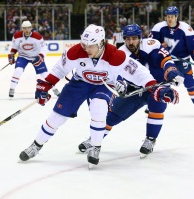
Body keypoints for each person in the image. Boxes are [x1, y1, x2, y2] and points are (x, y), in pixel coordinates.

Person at [18, 24, 179, 168]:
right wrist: (46, 85)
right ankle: (36, 145)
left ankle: (95, 148)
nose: (86, 49)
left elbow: (140, 73)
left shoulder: (115, 56)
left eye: (90, 46)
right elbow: (60, 68)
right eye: (84, 44)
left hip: (103, 85)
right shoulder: (76, 51)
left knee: (99, 110)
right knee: (57, 117)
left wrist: (155, 89)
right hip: (78, 84)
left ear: (101, 43)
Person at [78, 24, 183, 158]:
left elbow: (165, 60)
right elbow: (117, 73)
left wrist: (171, 71)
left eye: (134, 38)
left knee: (157, 106)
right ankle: (94, 140)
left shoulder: (152, 45)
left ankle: (150, 139)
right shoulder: (121, 52)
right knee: (112, 116)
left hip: (157, 87)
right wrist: (121, 83)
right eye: (128, 39)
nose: (131, 42)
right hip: (135, 89)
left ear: (140, 38)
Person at [150, 6, 194, 105]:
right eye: (168, 16)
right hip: (166, 61)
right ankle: (154, 105)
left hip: (182, 61)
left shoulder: (186, 28)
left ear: (176, 17)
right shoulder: (158, 27)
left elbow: (192, 48)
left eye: (172, 17)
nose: (169, 19)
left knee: (190, 83)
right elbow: (152, 44)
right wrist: (159, 47)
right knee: (161, 84)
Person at [8, 20, 59, 98]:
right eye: (24, 28)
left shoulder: (37, 37)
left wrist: (40, 56)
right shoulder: (17, 36)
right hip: (23, 56)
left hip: (36, 57)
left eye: (28, 28)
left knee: (44, 74)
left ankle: (55, 89)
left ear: (31, 28)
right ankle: (12, 88)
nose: (26, 30)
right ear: (22, 29)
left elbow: (44, 48)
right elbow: (14, 48)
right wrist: (12, 55)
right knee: (18, 70)